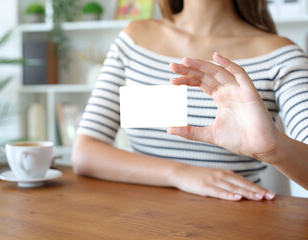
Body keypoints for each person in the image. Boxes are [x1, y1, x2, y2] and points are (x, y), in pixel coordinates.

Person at [72, 0, 308, 201]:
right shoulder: (134, 40)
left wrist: (275, 148)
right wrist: (180, 173)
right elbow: (86, 153)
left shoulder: (282, 55)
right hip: (142, 220)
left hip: (234, 221)